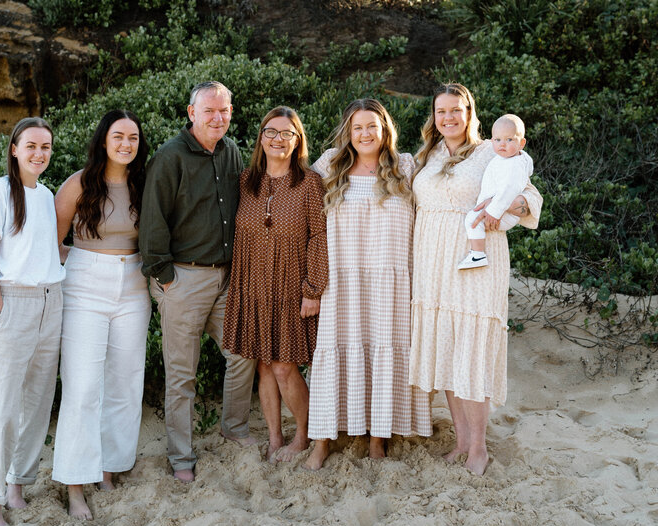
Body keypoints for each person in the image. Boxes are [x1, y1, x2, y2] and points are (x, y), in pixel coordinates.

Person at [408, 83, 543, 475]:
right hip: (433, 263)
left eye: (456, 110)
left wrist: (505, 209)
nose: (448, 118)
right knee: (450, 350)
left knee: (472, 351)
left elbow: (531, 198)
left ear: (470, 113)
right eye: (441, 111)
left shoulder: (493, 151)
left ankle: (479, 448)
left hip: (476, 263)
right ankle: (462, 442)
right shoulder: (428, 155)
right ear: (434, 117)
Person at [304, 99, 432, 471]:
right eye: (357, 127)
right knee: (335, 350)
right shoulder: (329, 165)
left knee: (383, 351)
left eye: (372, 127)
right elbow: (299, 204)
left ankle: (378, 439)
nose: (364, 134)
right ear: (348, 132)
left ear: (384, 130)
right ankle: (322, 441)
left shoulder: (405, 166)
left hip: (390, 283)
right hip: (342, 281)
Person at [139, 81, 258, 483]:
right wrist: (165, 277)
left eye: (224, 110)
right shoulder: (169, 157)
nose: (217, 118)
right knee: (181, 372)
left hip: (226, 278)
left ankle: (234, 427)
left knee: (243, 353)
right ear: (191, 113)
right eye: (209, 111)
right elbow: (152, 221)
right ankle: (181, 456)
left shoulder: (232, 151)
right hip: (183, 280)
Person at [51, 110, 152, 519]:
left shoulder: (143, 185)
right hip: (85, 285)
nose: (126, 144)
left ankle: (109, 470)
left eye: (133, 138)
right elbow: (52, 240)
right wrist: (80, 266)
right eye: (118, 136)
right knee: (82, 386)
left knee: (126, 381)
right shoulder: (79, 183)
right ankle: (75, 483)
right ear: (104, 140)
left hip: (133, 285)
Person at [0, 117, 65, 526]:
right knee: (6, 407)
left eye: (45, 147)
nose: (38, 154)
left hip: (52, 302)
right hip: (13, 303)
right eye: (30, 146)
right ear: (14, 148)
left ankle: (17, 485)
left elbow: (50, 252)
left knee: (39, 403)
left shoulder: (45, 196)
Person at [223, 106, 328, 463]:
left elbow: (319, 236)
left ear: (298, 140)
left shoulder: (309, 182)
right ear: (260, 137)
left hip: (291, 284)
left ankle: (304, 434)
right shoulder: (246, 179)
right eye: (271, 132)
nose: (278, 139)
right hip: (252, 283)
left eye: (287, 133)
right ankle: (273, 436)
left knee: (285, 366)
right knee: (264, 365)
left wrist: (313, 288)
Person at [457, 113, 532, 269]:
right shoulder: (505, 159)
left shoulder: (514, 165)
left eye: (509, 139)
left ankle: (477, 255)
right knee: (473, 219)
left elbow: (509, 191)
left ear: (521, 143)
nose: (502, 144)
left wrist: (494, 211)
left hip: (503, 213)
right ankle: (476, 253)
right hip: (498, 210)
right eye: (497, 140)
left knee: (472, 219)